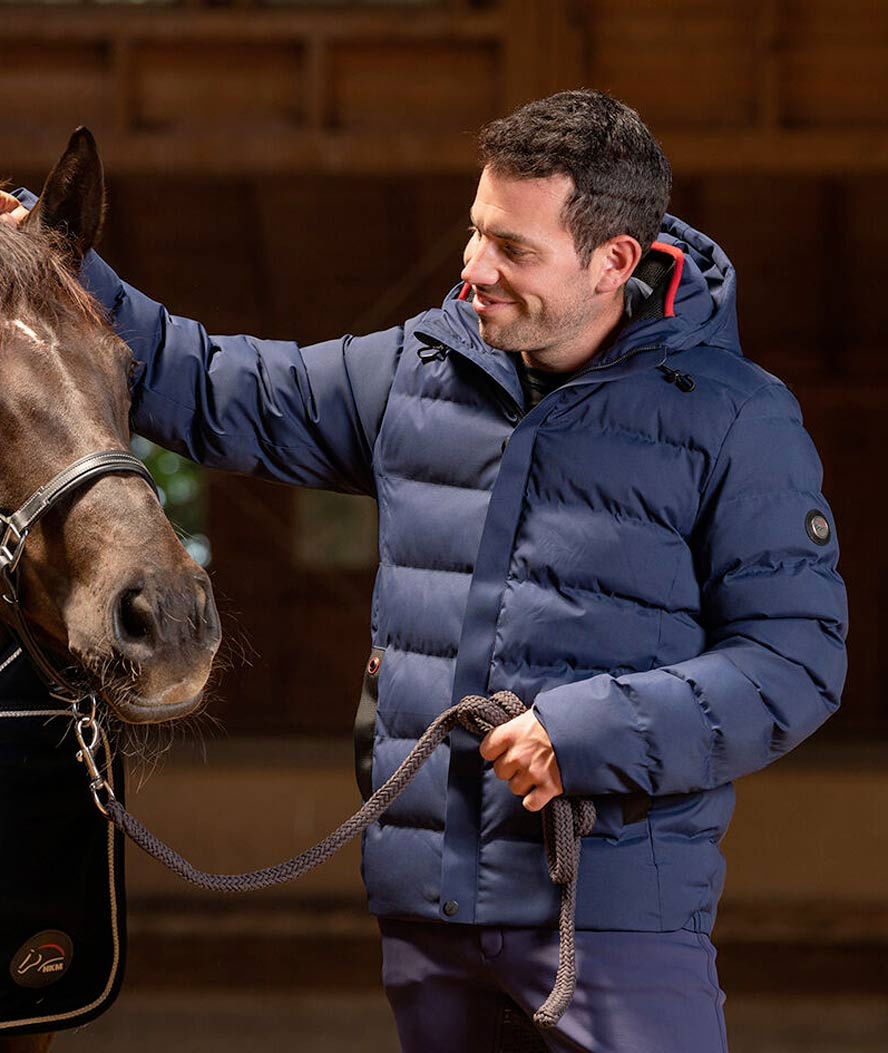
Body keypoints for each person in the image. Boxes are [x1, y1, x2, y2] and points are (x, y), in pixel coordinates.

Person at [2, 90, 847, 1052]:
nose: (476, 271)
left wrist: (588, 729)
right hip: (427, 914)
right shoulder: (419, 369)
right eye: (476, 233)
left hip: (612, 917)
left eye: (514, 251)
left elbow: (796, 661)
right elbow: (206, 383)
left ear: (615, 261)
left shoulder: (738, 420)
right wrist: (40, 243)